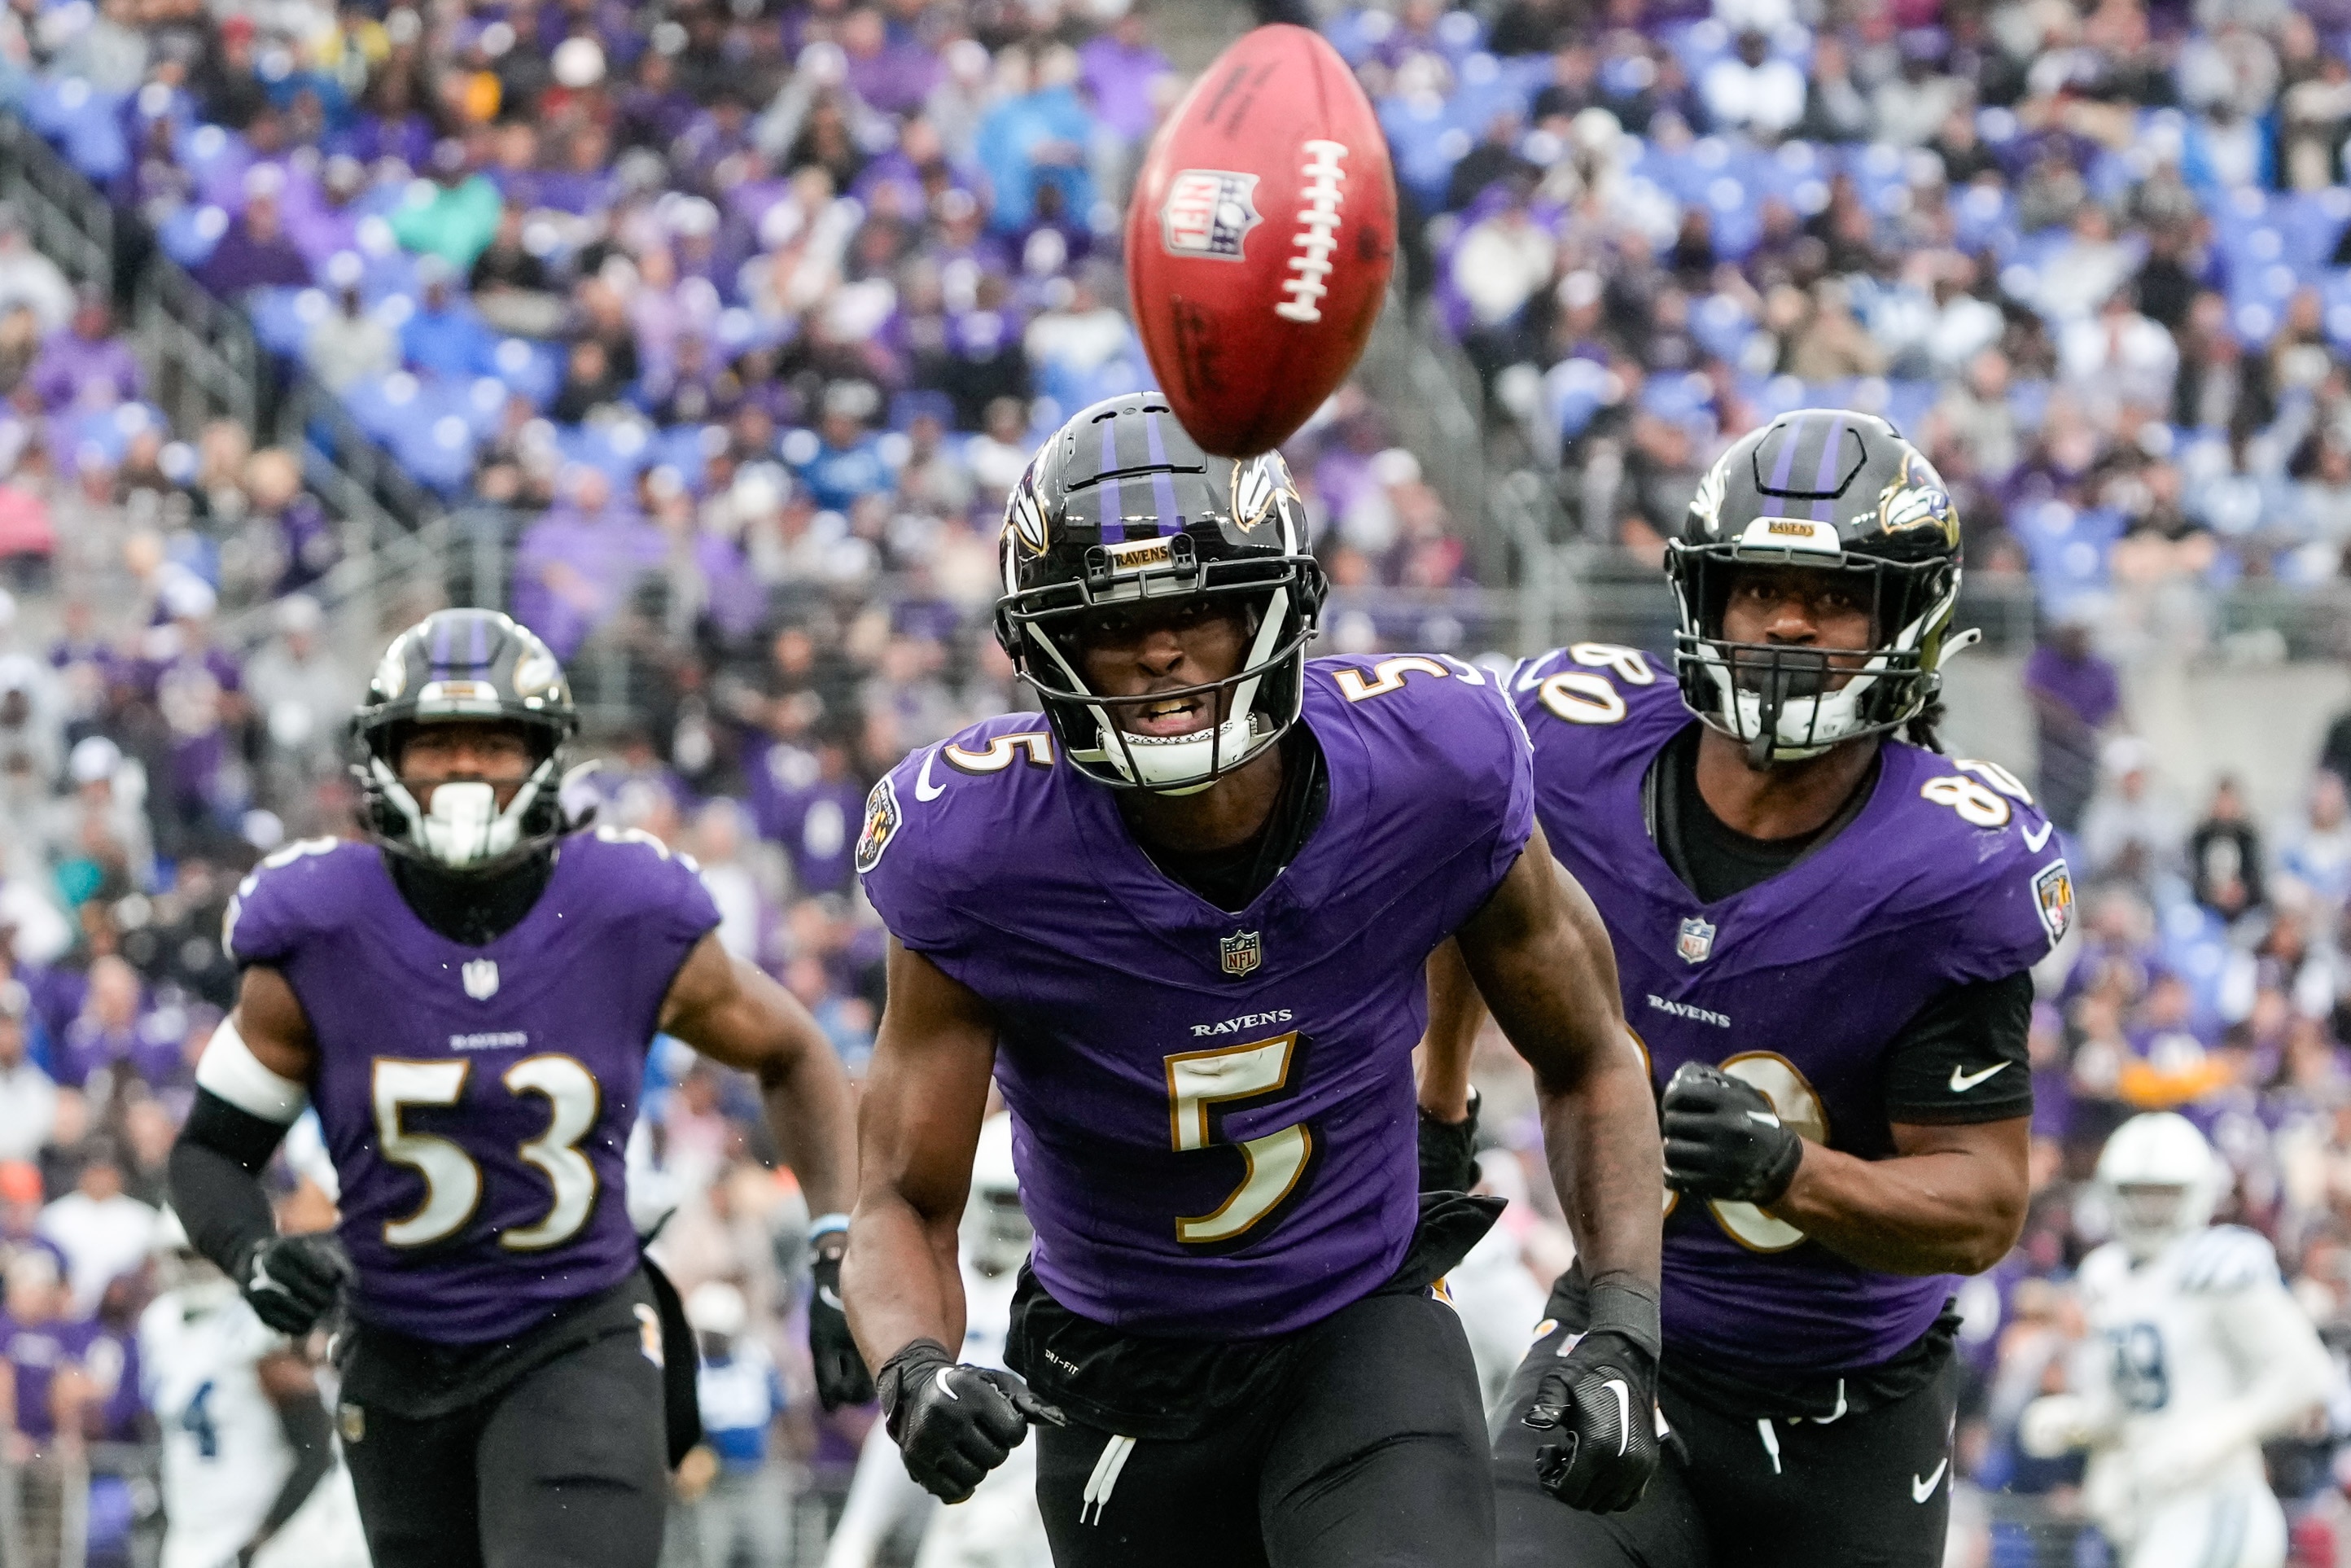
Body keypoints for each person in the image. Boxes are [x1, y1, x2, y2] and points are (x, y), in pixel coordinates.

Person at [844, 395, 1665, 1568]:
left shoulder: (1437, 763)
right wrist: (916, 1366)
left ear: (1276, 605)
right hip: (1120, 1362)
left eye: (1198, 609)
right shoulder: (975, 852)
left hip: (1359, 1317)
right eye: (1112, 625)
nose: (1161, 651)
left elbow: (1588, 1056)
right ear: (1047, 649)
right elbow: (902, 1200)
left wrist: (1621, 1320)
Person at [1426, 410, 2072, 1568]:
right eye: (1756, 588)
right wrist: (1436, 1101)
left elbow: (1983, 1201)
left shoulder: (1942, 866)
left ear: (1902, 623)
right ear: (1702, 598)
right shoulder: (1571, 750)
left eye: (1830, 599)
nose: (1783, 622)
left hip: (1849, 1409)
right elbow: (1465, 871)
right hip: (1622, 1336)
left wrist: (1789, 1169)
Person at [165, 608, 866, 1568]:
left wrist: (836, 1247)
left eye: (492, 744)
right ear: (384, 762)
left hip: (575, 1333)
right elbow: (210, 1151)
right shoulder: (320, 930)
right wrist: (252, 1253)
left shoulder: (624, 908)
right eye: (437, 743)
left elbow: (797, 1051)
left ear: (543, 757)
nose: (463, 770)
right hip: (395, 1357)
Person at [2019, 1113, 2331, 1568]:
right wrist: (2077, 1422)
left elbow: (2305, 1375)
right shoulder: (2104, 1274)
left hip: (2215, 1500)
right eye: (2137, 1194)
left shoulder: (2219, 1264)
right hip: (2143, 1506)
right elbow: (2131, 1403)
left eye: (2165, 1196)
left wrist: (2213, 1435)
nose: (2149, 1211)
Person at [826, 1112, 1048, 1568]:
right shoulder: (942, 1282)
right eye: (996, 1199)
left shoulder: (1068, 1293)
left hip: (1047, 1502)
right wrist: (858, 1538)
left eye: (1015, 1201)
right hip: (963, 1509)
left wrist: (1026, 1506)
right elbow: (910, 1421)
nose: (1005, 1218)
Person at [141, 1216, 369, 1568]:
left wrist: (262, 1536)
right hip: (193, 1534)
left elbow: (315, 1446)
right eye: (187, 1256)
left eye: (206, 1254)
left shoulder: (254, 1323)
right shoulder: (160, 1325)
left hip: (267, 1537)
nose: (199, 1267)